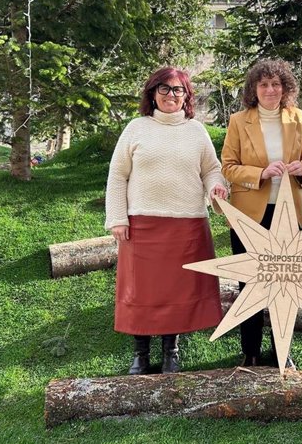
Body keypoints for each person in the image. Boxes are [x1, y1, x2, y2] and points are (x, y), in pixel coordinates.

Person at [105, 67, 228, 375]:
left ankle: (171, 350)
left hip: (187, 225)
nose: (171, 95)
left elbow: (211, 169)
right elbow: (118, 175)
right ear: (152, 93)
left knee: (176, 291)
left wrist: (217, 185)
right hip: (142, 225)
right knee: (142, 290)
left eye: (178, 90)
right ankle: (141, 354)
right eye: (164, 89)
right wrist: (118, 218)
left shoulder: (196, 131)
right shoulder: (136, 128)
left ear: (186, 96)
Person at [221, 59, 302, 368]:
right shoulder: (238, 121)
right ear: (254, 89)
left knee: (285, 286)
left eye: (276, 84)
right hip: (249, 214)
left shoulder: (297, 117)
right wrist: (260, 173)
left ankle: (281, 351)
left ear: (285, 87)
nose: (270, 90)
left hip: (289, 213)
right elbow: (229, 167)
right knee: (250, 285)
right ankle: (250, 353)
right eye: (264, 85)